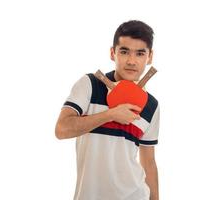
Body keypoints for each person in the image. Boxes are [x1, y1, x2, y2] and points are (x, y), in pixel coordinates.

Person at [55, 20, 160, 200]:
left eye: (140, 53)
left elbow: (148, 162)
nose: (132, 61)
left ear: (149, 57)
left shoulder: (151, 105)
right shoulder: (90, 85)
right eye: (124, 51)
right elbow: (61, 130)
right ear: (113, 53)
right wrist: (110, 114)